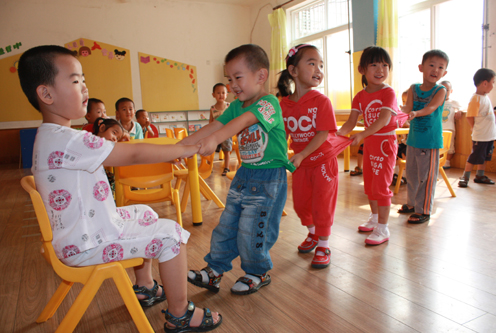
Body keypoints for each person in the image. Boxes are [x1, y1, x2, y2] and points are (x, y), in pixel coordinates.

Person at [17, 45, 222, 332]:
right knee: (172, 236)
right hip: (88, 244)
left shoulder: (54, 137)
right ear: (46, 94)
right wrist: (183, 149)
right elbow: (134, 154)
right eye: (76, 81)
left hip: (85, 232)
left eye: (84, 80)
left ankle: (145, 286)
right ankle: (179, 314)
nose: (85, 88)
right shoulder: (68, 140)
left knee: (144, 212)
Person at [180, 44, 295, 295]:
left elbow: (244, 121)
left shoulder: (269, 103)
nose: (232, 85)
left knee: (253, 228)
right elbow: (213, 126)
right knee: (227, 226)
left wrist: (215, 140)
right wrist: (182, 145)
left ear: (261, 76)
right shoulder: (235, 105)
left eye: (238, 77)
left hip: (268, 177)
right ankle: (214, 272)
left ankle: (257, 272)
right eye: (229, 79)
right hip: (244, 175)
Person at [278, 44, 346, 268]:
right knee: (301, 205)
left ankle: (324, 244)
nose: (319, 69)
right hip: (300, 165)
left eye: (321, 65)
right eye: (312, 63)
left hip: (323, 163)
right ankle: (313, 233)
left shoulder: (321, 101)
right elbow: (283, 134)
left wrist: (302, 153)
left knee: (322, 204)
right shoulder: (284, 105)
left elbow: (322, 133)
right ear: (293, 71)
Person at [337, 46, 399, 245]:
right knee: (370, 183)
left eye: (384, 65)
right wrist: (336, 135)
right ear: (362, 69)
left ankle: (383, 228)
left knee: (381, 185)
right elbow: (350, 123)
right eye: (374, 65)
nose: (380, 69)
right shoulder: (359, 96)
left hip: (384, 143)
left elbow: (382, 120)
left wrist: (362, 135)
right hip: (370, 143)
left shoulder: (388, 92)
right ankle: (374, 219)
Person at [398, 49, 449, 224]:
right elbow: (407, 107)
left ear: (444, 72)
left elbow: (431, 108)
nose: (435, 70)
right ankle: (412, 204)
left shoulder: (441, 90)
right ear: (421, 67)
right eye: (431, 65)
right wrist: (397, 111)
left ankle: (424, 210)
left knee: (426, 178)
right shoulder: (413, 88)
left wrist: (415, 113)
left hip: (430, 142)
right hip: (413, 141)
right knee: (411, 174)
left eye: (440, 67)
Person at [458, 68, 496, 187]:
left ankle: (480, 175)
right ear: (485, 83)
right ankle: (465, 177)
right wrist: (474, 128)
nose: (493, 85)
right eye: (493, 82)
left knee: (485, 156)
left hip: (489, 135)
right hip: (481, 136)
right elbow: (470, 116)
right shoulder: (476, 98)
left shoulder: (485, 97)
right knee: (474, 156)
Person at [209, 83, 232, 176]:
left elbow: (233, 119)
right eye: (218, 93)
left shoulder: (229, 106)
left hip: (226, 134)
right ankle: (209, 166)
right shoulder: (212, 108)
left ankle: (226, 168)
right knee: (211, 150)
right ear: (213, 95)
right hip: (216, 134)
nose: (221, 95)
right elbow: (210, 121)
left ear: (227, 94)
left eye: (223, 93)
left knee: (226, 151)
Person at [440, 80, 463, 169]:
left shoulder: (454, 102)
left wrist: (459, 111)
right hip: (438, 128)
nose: (445, 92)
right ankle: (439, 162)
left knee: (449, 146)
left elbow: (461, 107)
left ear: (451, 91)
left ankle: (447, 162)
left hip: (449, 128)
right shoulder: (436, 101)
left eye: (447, 90)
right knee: (438, 146)